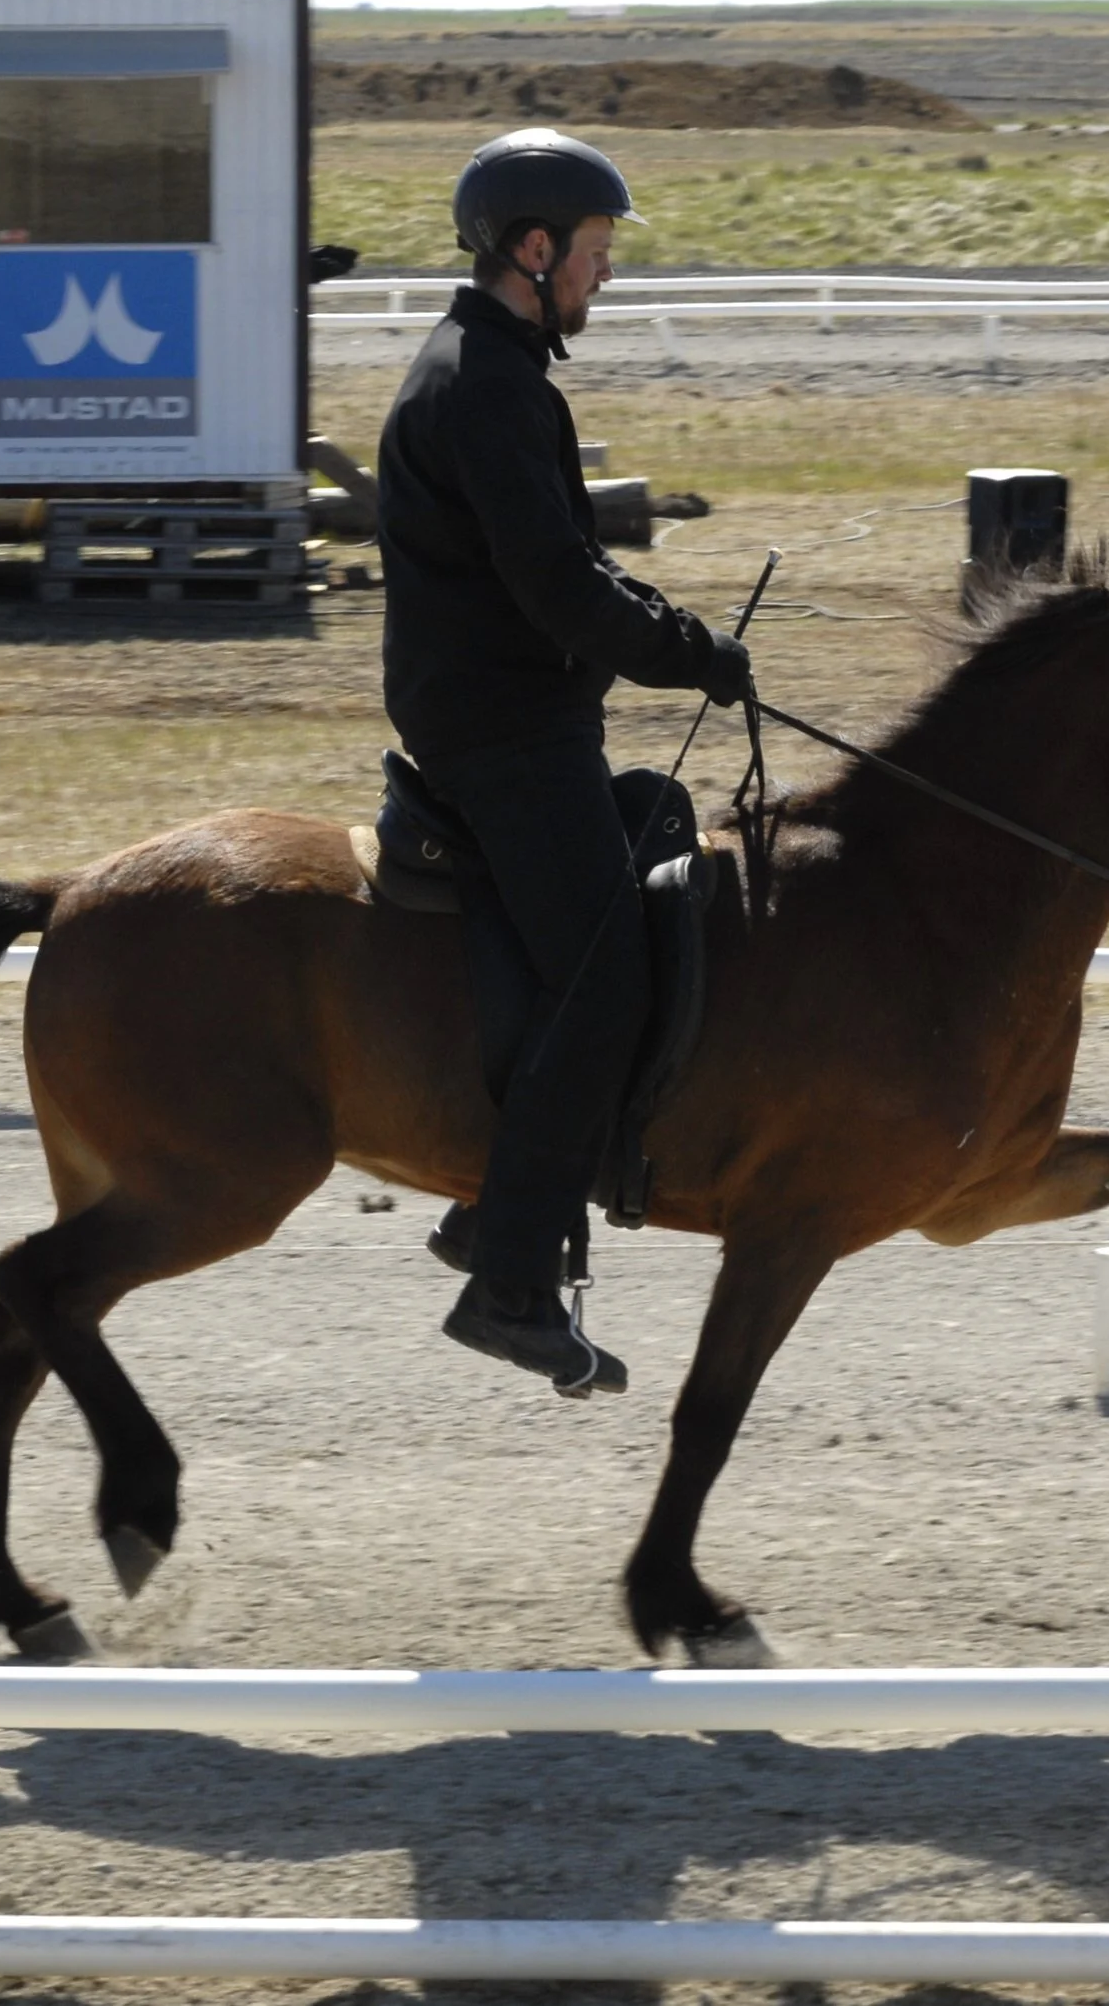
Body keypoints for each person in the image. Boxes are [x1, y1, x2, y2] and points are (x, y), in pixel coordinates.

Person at [375, 128, 752, 1396]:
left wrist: (669, 632)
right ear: (530, 252)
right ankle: (512, 1280)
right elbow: (552, 587)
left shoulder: (495, 368)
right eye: (592, 255)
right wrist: (686, 651)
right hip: (503, 736)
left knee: (658, 821)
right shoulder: (487, 385)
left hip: (521, 722)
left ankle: (500, 1209)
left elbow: (567, 570)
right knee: (605, 982)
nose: (602, 277)